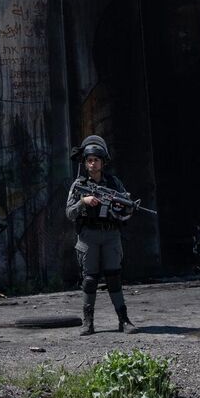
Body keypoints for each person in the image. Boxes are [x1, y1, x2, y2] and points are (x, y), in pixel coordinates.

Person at [65, 135, 135, 335]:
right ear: (85, 163)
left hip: (110, 234)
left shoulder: (113, 183)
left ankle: (124, 320)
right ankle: (88, 323)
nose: (93, 163)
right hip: (88, 236)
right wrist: (83, 202)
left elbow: (127, 211)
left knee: (114, 277)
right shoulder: (78, 185)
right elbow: (69, 213)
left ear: (103, 162)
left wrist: (120, 206)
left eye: (96, 160)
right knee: (89, 280)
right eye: (89, 160)